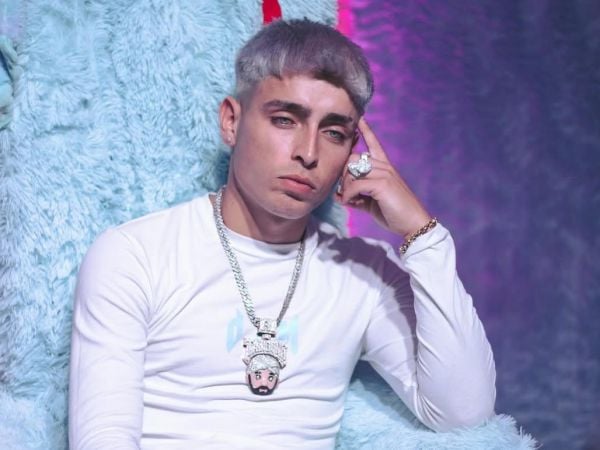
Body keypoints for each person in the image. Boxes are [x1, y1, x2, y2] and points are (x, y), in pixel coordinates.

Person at [68, 18, 496, 449]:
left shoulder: (366, 273)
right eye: (285, 120)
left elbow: (462, 413)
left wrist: (422, 235)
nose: (308, 153)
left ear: (352, 151)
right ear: (231, 121)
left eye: (333, 133)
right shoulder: (134, 255)